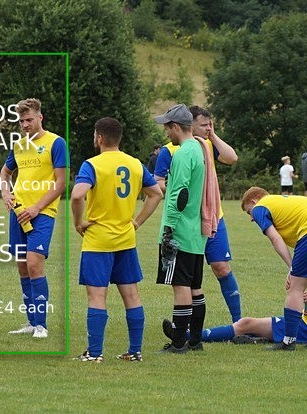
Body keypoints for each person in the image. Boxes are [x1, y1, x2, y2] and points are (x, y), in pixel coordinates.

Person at [71, 117, 163, 362]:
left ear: (99, 138)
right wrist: (137, 222)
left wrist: (78, 222)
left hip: (98, 241)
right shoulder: (135, 164)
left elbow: (77, 195)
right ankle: (135, 351)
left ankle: (95, 353)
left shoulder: (92, 165)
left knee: (97, 297)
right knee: (131, 295)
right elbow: (156, 194)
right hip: (126, 240)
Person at [153, 105, 243, 323]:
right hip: (189, 222)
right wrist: (184, 192)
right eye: (204, 125)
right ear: (189, 125)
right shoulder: (170, 151)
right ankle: (188, 330)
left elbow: (232, 158)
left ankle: (238, 322)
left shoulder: (206, 145)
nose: (208, 128)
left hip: (213, 218)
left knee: (221, 268)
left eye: (210, 125)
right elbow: (158, 182)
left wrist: (213, 135)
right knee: (189, 280)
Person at [0, 98, 67, 339]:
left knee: (34, 264)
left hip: (42, 213)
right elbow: (5, 173)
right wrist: (5, 192)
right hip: (18, 213)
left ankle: (41, 325)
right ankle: (30, 322)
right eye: (21, 121)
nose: (25, 125)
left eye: (29, 119)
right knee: (22, 266)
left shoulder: (56, 143)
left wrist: (37, 207)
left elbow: (61, 182)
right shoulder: (18, 145)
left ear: (40, 117)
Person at [153, 103, 208, 354]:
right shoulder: (198, 148)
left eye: (167, 128)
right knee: (195, 286)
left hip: (180, 231)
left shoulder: (184, 153)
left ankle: (178, 343)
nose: (166, 133)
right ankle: (195, 340)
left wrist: (169, 229)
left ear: (176, 127)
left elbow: (180, 193)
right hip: (195, 232)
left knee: (180, 285)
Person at [240, 186, 307, 350]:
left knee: (295, 289)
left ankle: (288, 342)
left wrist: (291, 267)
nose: (252, 218)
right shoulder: (281, 203)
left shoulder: (260, 207)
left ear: (254, 200)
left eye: (249, 212)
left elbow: (275, 239)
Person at [163, 291, 307, 345]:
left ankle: (188, 336)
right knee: (246, 324)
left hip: (303, 326)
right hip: (300, 319)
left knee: (244, 324)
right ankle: (255, 338)